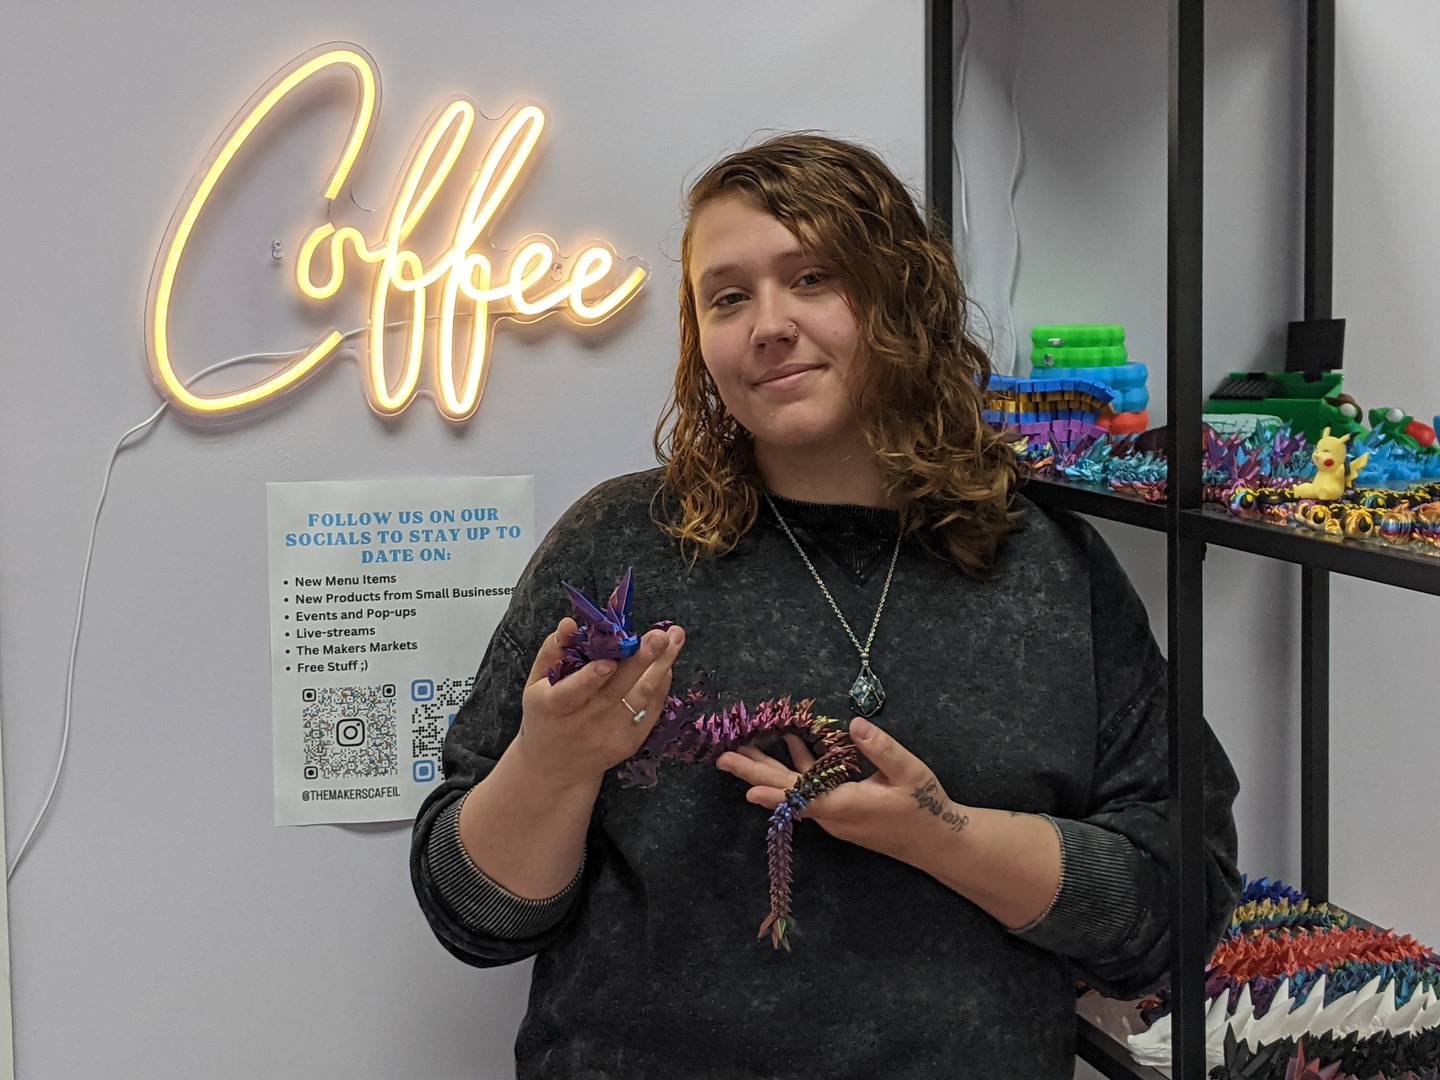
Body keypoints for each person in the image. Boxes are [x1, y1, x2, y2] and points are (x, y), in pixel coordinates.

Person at [409, 132, 1243, 1080]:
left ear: (903, 298)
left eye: (813, 278)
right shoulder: (620, 545)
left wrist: (942, 838)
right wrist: (551, 765)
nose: (767, 323)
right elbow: (475, 917)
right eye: (728, 297)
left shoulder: (1045, 569)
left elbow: (1176, 908)